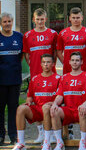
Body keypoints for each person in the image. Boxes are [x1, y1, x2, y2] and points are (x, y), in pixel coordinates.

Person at [42, 52, 86, 150]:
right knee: (54, 111)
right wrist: (54, 104)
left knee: (82, 111)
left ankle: (83, 142)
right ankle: (59, 142)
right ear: (69, 62)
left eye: (77, 60)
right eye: (73, 60)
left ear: (81, 62)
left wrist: (85, 104)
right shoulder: (64, 77)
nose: (75, 62)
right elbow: (59, 96)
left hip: (80, 109)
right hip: (68, 109)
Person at [22, 8, 58, 143]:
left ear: (46, 19)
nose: (40, 22)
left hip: (50, 73)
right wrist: (33, 67)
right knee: (37, 102)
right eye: (37, 19)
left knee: (51, 100)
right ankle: (41, 133)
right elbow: (26, 55)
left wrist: (52, 66)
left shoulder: (53, 33)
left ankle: (54, 131)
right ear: (33, 20)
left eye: (42, 19)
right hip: (36, 72)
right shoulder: (27, 35)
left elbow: (55, 52)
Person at [12, 54, 60, 150]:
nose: (46, 64)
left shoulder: (58, 78)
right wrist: (28, 102)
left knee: (46, 108)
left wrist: (53, 103)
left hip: (51, 110)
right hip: (38, 109)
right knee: (21, 108)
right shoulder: (35, 79)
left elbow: (61, 98)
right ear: (41, 64)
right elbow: (29, 97)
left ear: (53, 64)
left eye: (48, 62)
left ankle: (47, 142)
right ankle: (20, 142)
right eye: (44, 62)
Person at [0, 13, 23, 145]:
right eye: (4, 22)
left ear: (12, 22)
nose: (7, 24)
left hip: (14, 79)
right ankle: (1, 135)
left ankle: (13, 136)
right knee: (0, 108)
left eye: (9, 21)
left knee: (14, 108)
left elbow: (21, 57)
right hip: (1, 80)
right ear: (1, 23)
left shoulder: (18, 37)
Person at [57, 7, 86, 74]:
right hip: (68, 70)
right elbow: (59, 52)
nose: (75, 20)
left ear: (82, 18)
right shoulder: (62, 33)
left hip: (83, 70)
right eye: (73, 18)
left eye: (78, 18)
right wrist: (66, 63)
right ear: (70, 18)